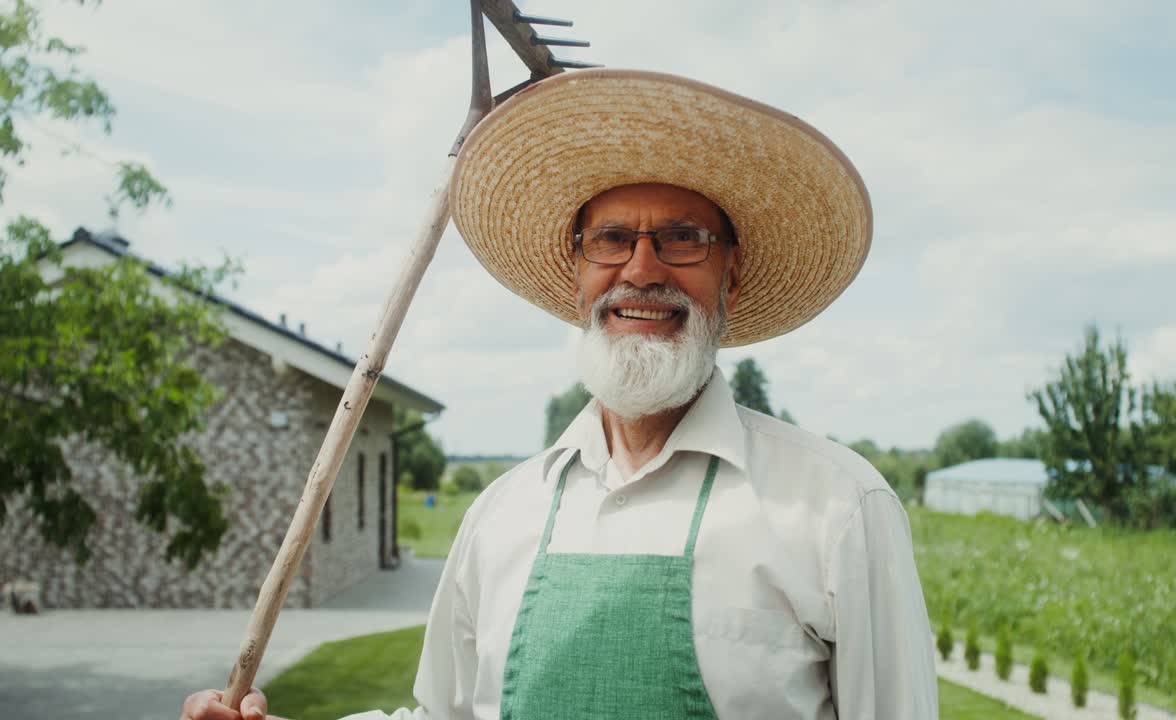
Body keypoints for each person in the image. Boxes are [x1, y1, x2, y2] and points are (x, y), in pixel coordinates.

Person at [182, 68, 937, 720]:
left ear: (730, 274)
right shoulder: (502, 514)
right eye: (611, 240)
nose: (642, 269)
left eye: (681, 239)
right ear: (576, 269)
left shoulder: (837, 508)